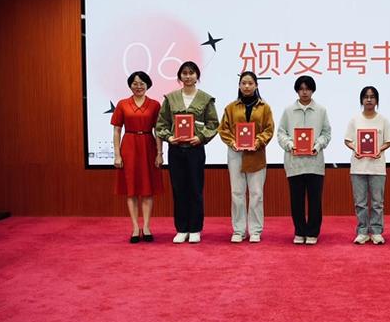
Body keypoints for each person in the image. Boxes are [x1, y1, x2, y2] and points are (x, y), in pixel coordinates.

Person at [156, 61, 219, 244]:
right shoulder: (170, 98)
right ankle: (181, 229)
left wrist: (201, 137)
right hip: (176, 150)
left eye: (191, 73)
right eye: (184, 73)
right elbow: (161, 125)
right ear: (179, 76)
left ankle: (195, 229)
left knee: (195, 189)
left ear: (197, 76)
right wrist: (169, 137)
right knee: (179, 189)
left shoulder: (206, 99)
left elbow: (213, 124)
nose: (188, 76)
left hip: (195, 150)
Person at [218, 71, 274, 243]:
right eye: (244, 83)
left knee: (256, 193)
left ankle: (255, 230)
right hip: (236, 153)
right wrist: (233, 142)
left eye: (250, 83)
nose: (247, 86)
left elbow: (269, 129)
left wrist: (258, 141)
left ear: (256, 85)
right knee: (237, 192)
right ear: (239, 85)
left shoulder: (264, 107)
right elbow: (223, 129)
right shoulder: (231, 107)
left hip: (256, 153)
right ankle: (239, 230)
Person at [277, 75, 331, 245]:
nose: (304, 92)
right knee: (296, 200)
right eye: (301, 89)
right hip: (295, 163)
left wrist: (318, 145)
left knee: (315, 201)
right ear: (297, 91)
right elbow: (281, 133)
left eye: (307, 88)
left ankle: (313, 232)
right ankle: (300, 231)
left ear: (312, 90)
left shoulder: (321, 110)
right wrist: (290, 145)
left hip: (315, 163)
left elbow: (326, 133)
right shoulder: (288, 111)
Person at [111, 71, 164, 243]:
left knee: (148, 190)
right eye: (135, 83)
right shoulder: (122, 104)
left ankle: (146, 226)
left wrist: (159, 153)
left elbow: (159, 131)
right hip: (129, 146)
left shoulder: (155, 104)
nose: (138, 86)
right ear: (130, 85)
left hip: (148, 145)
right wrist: (117, 154)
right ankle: (135, 227)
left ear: (148, 85)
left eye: (142, 83)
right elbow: (117, 130)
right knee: (131, 190)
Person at [344, 86, 390, 245]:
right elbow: (347, 140)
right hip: (358, 166)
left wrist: (379, 149)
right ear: (361, 100)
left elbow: (389, 140)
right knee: (360, 203)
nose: (369, 100)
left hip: (377, 167)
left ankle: (377, 232)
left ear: (377, 100)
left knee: (378, 203)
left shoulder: (383, 120)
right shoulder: (354, 120)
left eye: (372, 97)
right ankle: (362, 231)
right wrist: (355, 148)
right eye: (366, 97)